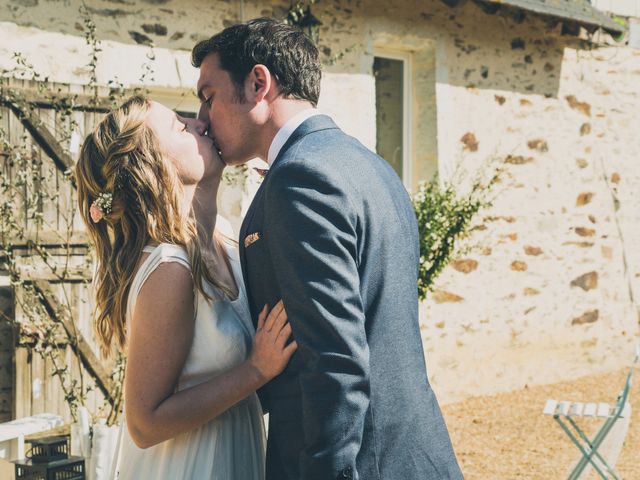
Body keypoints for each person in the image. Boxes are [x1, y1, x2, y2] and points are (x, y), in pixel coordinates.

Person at [192, 18, 463, 480]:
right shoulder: (369, 165)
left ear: (259, 83)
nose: (201, 118)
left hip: (359, 464)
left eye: (208, 96)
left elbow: (336, 360)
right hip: (412, 455)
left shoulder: (300, 180)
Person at [75, 95, 297, 480]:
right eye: (180, 126)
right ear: (154, 167)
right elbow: (144, 425)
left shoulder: (225, 236)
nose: (199, 123)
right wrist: (256, 371)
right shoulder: (169, 266)